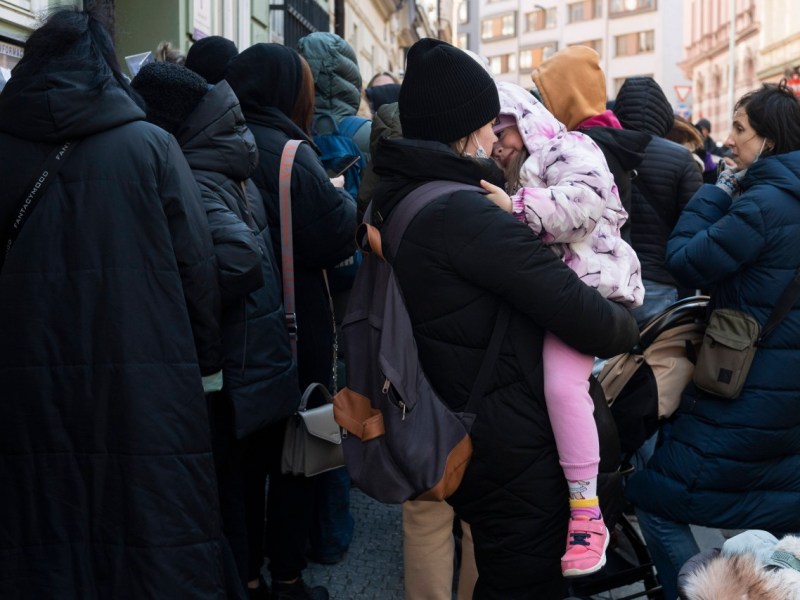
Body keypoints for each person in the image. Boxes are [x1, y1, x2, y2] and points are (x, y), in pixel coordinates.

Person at [371, 37, 639, 599]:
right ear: (464, 128)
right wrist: (622, 318)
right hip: (515, 449)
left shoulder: (404, 199)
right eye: (487, 121)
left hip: (469, 422)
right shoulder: (465, 211)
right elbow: (593, 321)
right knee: (520, 581)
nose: (497, 133)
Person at [0, 6, 240, 599]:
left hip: (21, 384)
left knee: (39, 529)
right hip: (144, 381)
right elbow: (197, 269)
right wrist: (206, 369)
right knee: (146, 533)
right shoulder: (152, 146)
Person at [625, 81, 800, 600]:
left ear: (767, 141)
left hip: (743, 384)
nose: (728, 140)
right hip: (784, 391)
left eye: (739, 129)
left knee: (657, 501)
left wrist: (718, 188)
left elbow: (685, 258)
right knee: (768, 505)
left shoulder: (763, 204)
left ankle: (698, 594)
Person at [131, 61, 300, 596]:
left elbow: (237, 260)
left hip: (235, 362)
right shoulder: (226, 161)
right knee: (248, 486)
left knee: (233, 488)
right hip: (258, 353)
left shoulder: (198, 175)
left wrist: (170, 290)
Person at [482, 80, 643, 577]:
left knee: (562, 387)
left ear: (519, 120)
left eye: (499, 129)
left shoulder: (566, 146)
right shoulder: (515, 169)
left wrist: (515, 208)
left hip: (588, 294)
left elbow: (585, 202)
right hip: (560, 296)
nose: (495, 141)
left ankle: (586, 513)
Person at [225, 42, 357, 600]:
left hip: (235, 327)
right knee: (302, 457)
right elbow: (335, 236)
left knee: (240, 463)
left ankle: (246, 574)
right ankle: (287, 577)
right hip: (297, 323)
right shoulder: (290, 152)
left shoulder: (212, 142)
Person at [296, 30, 371, 565]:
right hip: (360, 281)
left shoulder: (295, 129)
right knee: (353, 390)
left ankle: (321, 527)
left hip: (308, 278)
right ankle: (342, 520)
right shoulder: (367, 134)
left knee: (319, 395)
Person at [531, 45, 650, 245]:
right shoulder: (609, 134)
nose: (542, 107)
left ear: (568, 97)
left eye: (547, 97)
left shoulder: (583, 145)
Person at [611, 76, 704, 328]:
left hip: (608, 278)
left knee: (606, 365)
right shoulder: (681, 158)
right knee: (655, 363)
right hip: (658, 282)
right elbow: (695, 226)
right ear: (664, 114)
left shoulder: (600, 149)